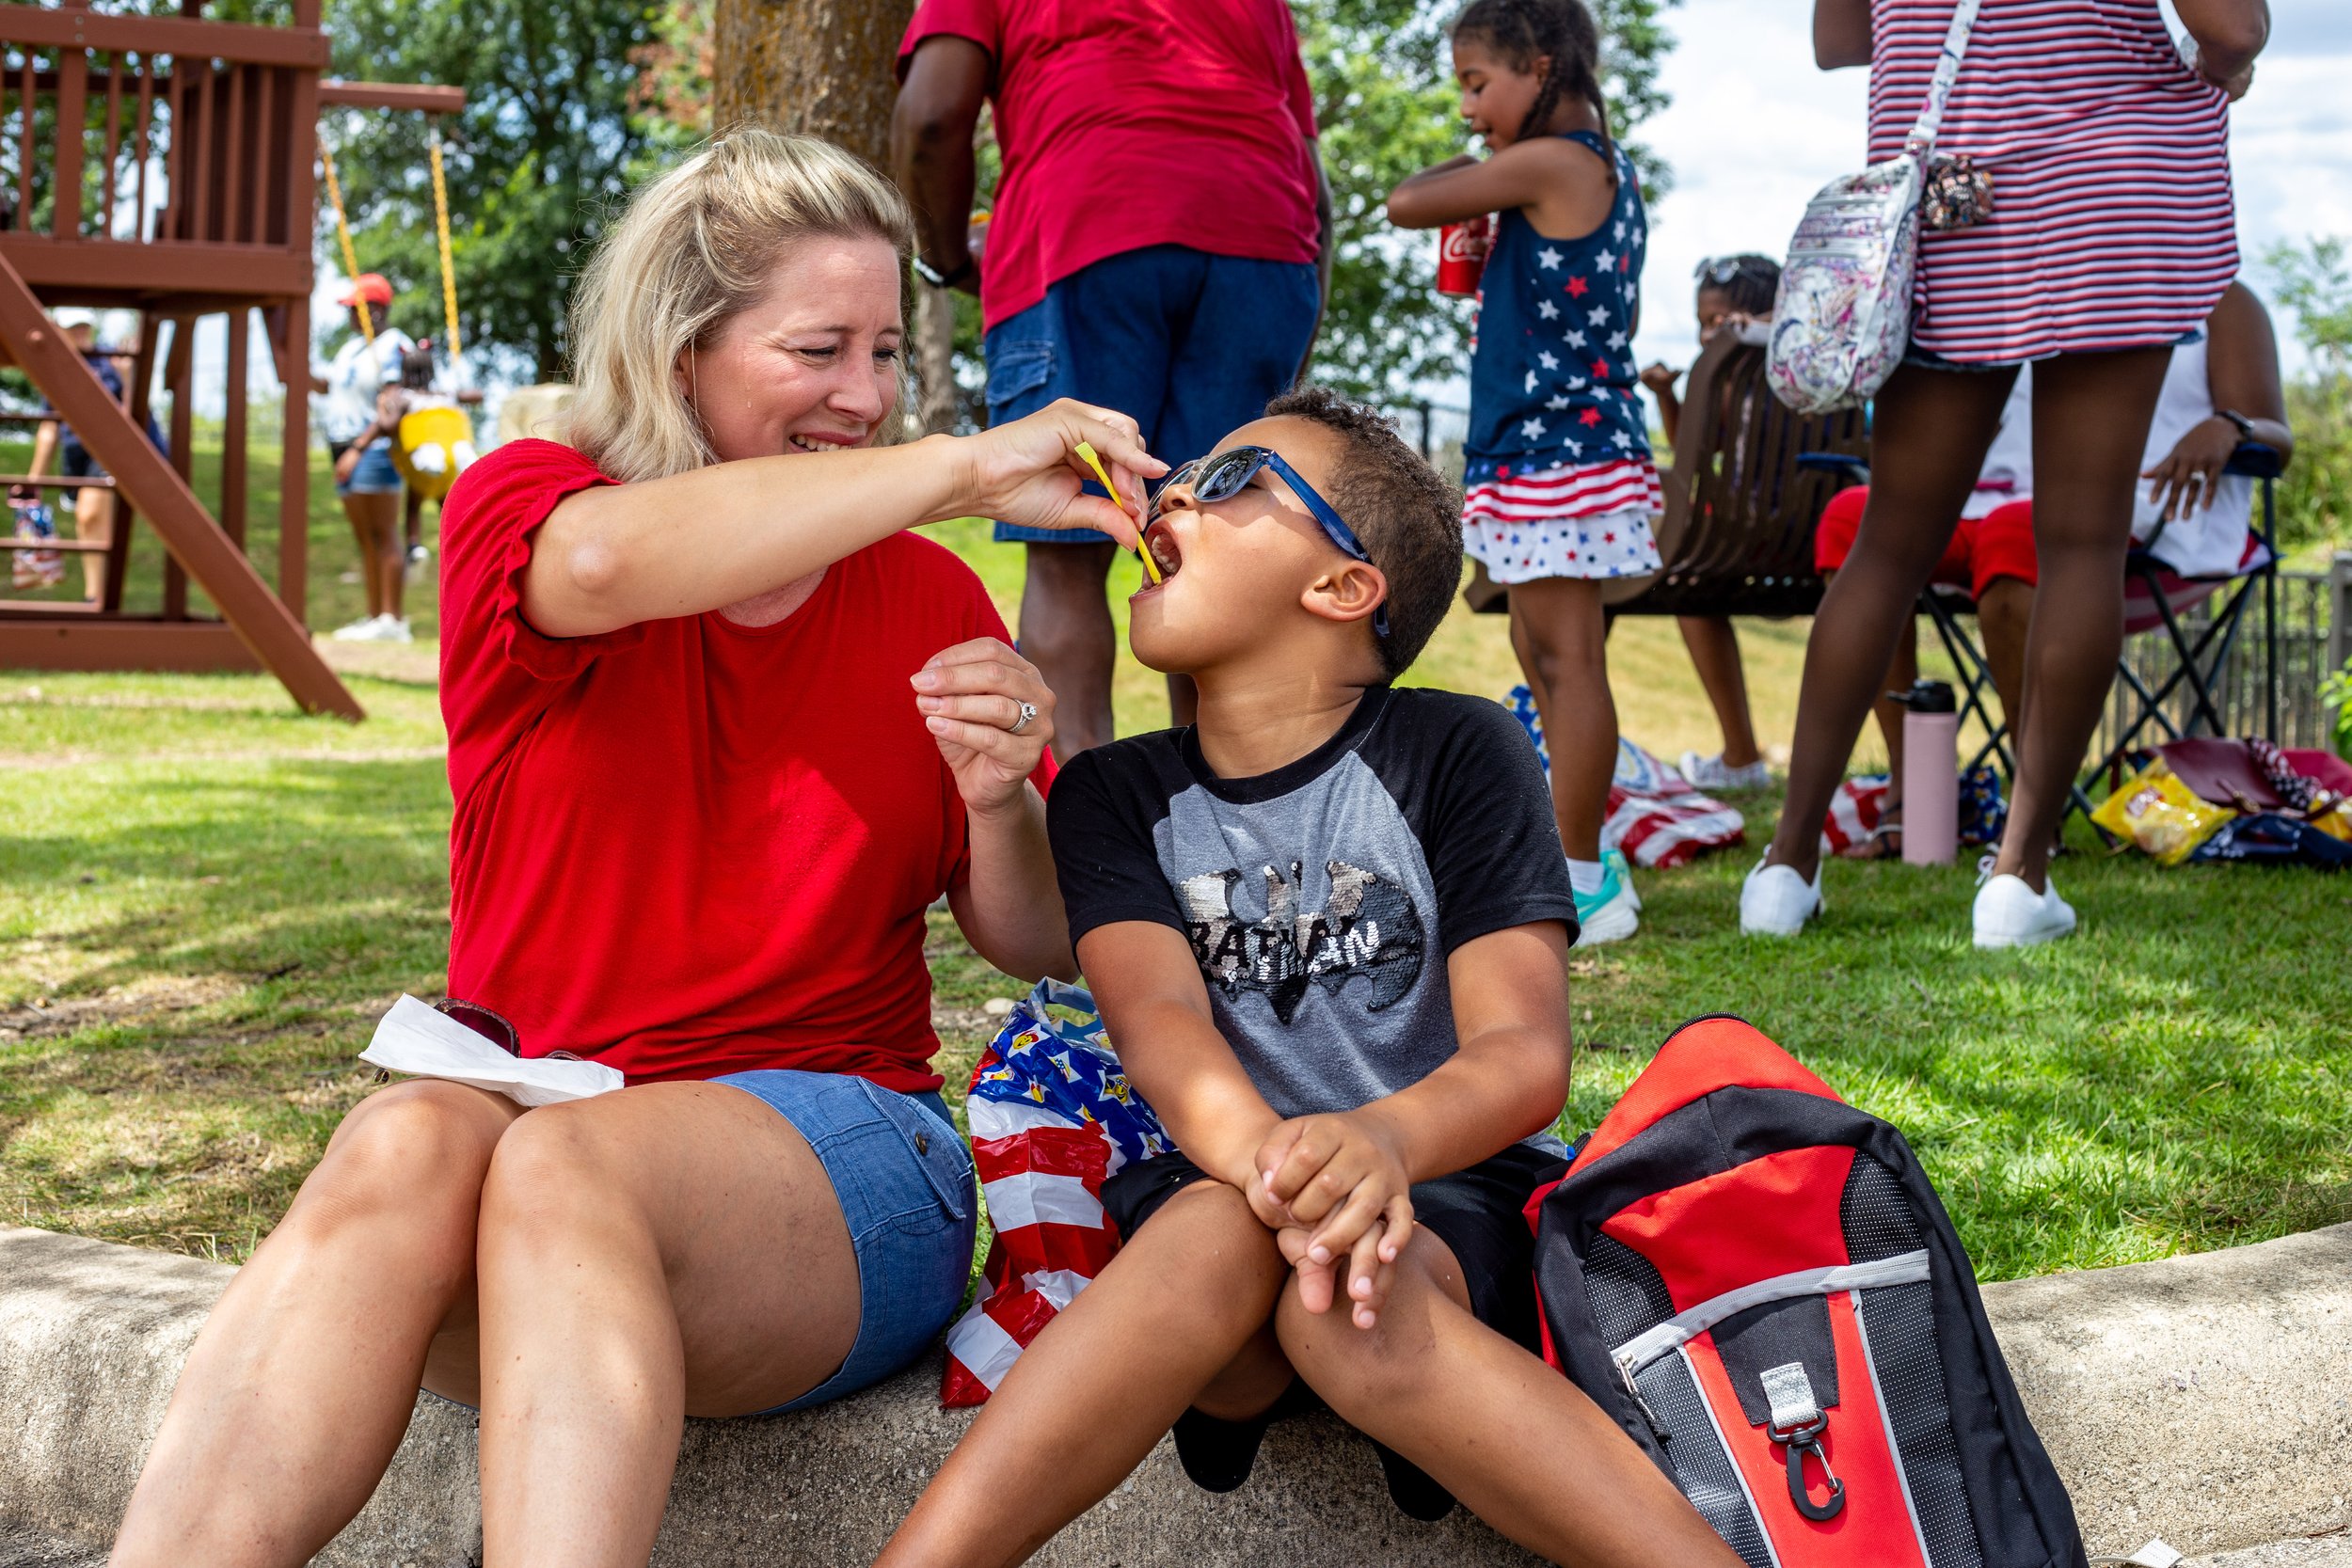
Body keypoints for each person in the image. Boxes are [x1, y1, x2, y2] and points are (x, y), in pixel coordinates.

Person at [104, 130, 1168, 1568]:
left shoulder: (921, 591)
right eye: (818, 349)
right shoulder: (529, 503)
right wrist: (968, 463)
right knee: (406, 1128)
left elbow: (1032, 937)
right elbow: (603, 567)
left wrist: (997, 798)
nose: (865, 397)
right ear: (681, 349)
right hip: (533, 1132)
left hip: (840, 1167)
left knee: (562, 1166)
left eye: (883, 354)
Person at [874, 388, 1741, 1568]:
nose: (1172, 490)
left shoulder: (1460, 749)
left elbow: (1522, 1054)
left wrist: (1377, 1143)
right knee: (1216, 1230)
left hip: (1438, 1193)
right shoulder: (1110, 795)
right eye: (1184, 474)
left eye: (1232, 484)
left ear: (1342, 588)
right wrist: (1275, 1167)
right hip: (1213, 1208)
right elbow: (1162, 1022)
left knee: (1350, 1305)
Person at [1746, 0, 2269, 947]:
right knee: (2080, 543)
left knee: (1886, 546)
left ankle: (1784, 868)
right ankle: (2016, 878)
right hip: (2106, 196)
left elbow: (1839, 42)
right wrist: (2219, 63)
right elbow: (2231, 29)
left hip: (1953, 203)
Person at [893, 0, 1331, 758]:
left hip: (1084, 227)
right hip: (1264, 241)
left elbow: (932, 116)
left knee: (1068, 552)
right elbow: (1318, 197)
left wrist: (947, 258)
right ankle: (1228, 840)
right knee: (1219, 555)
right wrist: (1287, 348)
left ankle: (1087, 854)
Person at [1809, 280, 2294, 854]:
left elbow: (2276, 437)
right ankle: (1910, 792)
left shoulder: (2217, 296)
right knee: (1849, 517)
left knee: (2018, 530)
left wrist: (2230, 425)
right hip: (1997, 501)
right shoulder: (2022, 278)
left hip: (2152, 519)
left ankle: (2033, 817)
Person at [1386, 0, 1658, 946]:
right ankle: (1576, 847)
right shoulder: (1573, 165)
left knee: (1568, 660)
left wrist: (1476, 170)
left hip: (1562, 448)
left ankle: (1581, 874)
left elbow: (1408, 200)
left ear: (1540, 67)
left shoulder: (1558, 161)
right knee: (1540, 656)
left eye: (1476, 83)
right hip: (1537, 444)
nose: (1468, 108)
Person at [1639, 254, 1782, 793]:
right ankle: (1741, 754)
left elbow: (1692, 459)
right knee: (1694, 585)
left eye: (1717, 320)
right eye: (1702, 322)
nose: (1706, 335)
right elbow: (1702, 447)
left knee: (1650, 560)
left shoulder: (1728, 368)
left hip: (1744, 534)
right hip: (1811, 534)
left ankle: (1742, 753)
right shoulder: (1811, 362)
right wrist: (1668, 396)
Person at [308, 273, 416, 643]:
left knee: (382, 533)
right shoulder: (350, 348)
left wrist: (357, 450)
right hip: (342, 445)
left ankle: (393, 619)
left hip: (373, 448)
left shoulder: (391, 345)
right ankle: (374, 618)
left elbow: (392, 402)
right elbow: (329, 387)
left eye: (355, 308)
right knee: (364, 537)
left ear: (376, 309)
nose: (350, 316)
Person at [22, 316, 162, 603]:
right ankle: (95, 595)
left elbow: (135, 415)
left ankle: (97, 599)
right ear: (57, 328)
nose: (81, 331)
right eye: (74, 326)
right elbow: (49, 427)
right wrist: (32, 483)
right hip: (76, 454)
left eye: (84, 324)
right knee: (87, 524)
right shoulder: (55, 367)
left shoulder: (109, 360)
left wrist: (126, 377)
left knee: (90, 512)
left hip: (111, 448)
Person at [333, 341, 482, 608]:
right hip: (451, 457)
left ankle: (414, 546)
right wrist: (461, 391)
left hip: (422, 458)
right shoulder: (444, 394)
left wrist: (382, 406)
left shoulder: (403, 397)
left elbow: (387, 425)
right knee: (447, 505)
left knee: (413, 506)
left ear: (404, 372)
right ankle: (461, 541)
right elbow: (476, 396)